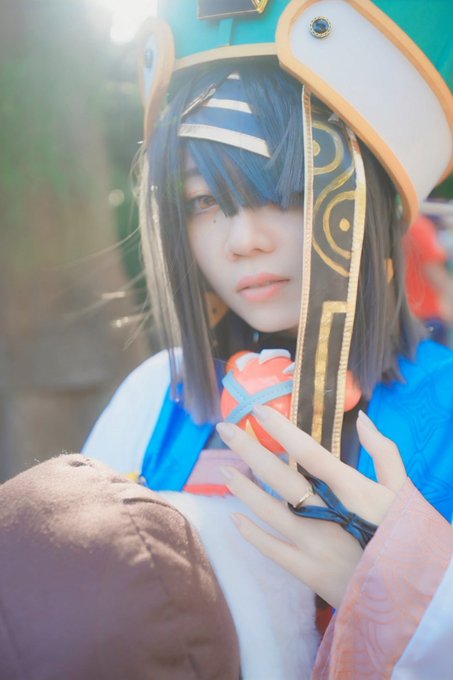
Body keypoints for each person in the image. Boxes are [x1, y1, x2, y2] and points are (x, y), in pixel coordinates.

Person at [83, 0, 453, 676]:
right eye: (203, 202)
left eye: (284, 192)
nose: (242, 239)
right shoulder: (156, 397)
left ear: (370, 202)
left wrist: (401, 599)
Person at [404, 213, 453, 345]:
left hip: (410, 313)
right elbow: (433, 271)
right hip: (427, 315)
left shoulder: (404, 226)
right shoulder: (420, 228)